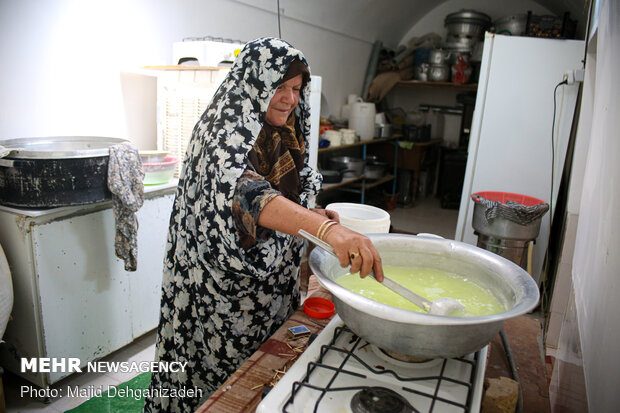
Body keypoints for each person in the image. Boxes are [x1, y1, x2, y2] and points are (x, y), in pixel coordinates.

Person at [144, 37, 384, 413]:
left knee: (261, 373)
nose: (289, 98)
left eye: (295, 89)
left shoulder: (281, 129)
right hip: (219, 292)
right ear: (255, 82)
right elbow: (248, 194)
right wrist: (329, 232)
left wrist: (314, 213)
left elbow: (285, 192)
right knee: (220, 385)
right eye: (279, 87)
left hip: (269, 288)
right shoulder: (223, 130)